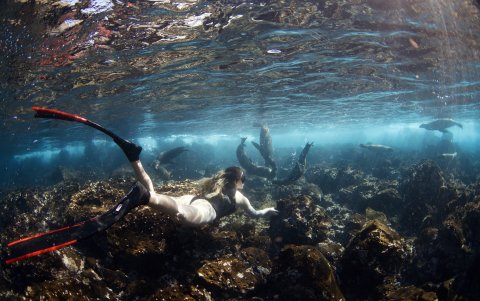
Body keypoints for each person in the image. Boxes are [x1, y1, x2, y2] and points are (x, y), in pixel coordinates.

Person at [123, 140, 279, 226]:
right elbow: (255, 214)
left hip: (191, 199)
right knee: (180, 213)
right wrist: (267, 210)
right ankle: (144, 196)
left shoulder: (215, 180)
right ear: (238, 181)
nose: (244, 185)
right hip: (205, 209)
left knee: (156, 196)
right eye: (243, 182)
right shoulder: (239, 196)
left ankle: (134, 159)